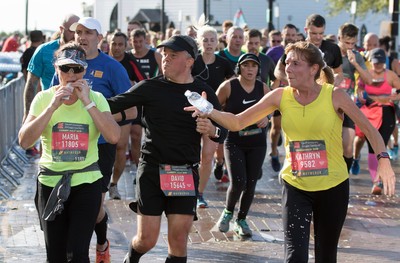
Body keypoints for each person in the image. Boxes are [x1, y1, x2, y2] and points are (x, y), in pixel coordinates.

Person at [186, 41, 396, 262]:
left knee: (326, 256)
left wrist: (383, 160)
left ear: (314, 69)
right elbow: (237, 122)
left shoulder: (335, 96)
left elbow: (370, 130)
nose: (288, 68)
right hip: (296, 186)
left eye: (296, 63)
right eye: (287, 62)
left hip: (333, 187)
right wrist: (208, 109)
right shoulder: (280, 95)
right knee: (295, 257)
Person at [107, 35, 227, 263]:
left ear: (190, 60)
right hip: (152, 170)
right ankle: (131, 258)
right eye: (164, 55)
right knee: (147, 240)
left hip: (183, 173)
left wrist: (211, 129)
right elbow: (113, 104)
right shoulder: (150, 87)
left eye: (173, 56)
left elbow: (224, 131)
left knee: (179, 240)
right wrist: (83, 98)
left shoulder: (202, 93)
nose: (165, 60)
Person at [18, 42, 121, 262]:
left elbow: (113, 136)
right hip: (51, 182)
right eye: (66, 68)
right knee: (55, 255)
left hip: (86, 182)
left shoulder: (97, 98)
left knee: (77, 254)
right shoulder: (44, 98)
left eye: (77, 68)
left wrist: (87, 102)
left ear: (85, 70)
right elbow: (25, 141)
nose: (72, 74)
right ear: (57, 69)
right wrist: (52, 107)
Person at [51, 17, 133, 263]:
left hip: (99, 149)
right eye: (78, 32)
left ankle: (102, 242)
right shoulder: (64, 65)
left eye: (88, 32)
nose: (82, 36)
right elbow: (50, 101)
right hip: (67, 147)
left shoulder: (113, 68)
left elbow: (130, 111)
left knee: (95, 210)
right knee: (66, 207)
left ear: (100, 36)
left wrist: (98, 114)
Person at [215, 53, 270, 237]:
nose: (250, 69)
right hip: (234, 141)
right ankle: (228, 212)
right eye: (246, 65)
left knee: (251, 183)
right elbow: (214, 108)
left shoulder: (263, 88)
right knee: (238, 181)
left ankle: (241, 219)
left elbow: (275, 107)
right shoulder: (228, 86)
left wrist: (267, 117)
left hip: (257, 142)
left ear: (258, 69)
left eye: (253, 66)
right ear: (239, 68)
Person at [192, 25, 235, 208]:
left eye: (212, 40)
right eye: (205, 40)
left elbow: (233, 85)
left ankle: (199, 194)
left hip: (215, 115)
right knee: (191, 155)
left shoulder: (224, 63)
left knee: (207, 156)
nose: (209, 44)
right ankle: (188, 190)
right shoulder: (192, 62)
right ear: (199, 42)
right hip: (192, 115)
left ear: (217, 42)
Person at [356, 47, 400, 195]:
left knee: (382, 142)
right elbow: (359, 90)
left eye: (381, 63)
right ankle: (376, 180)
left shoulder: (391, 75)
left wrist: (395, 97)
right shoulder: (366, 74)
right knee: (371, 146)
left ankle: (379, 178)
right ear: (371, 62)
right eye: (375, 63)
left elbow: (399, 90)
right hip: (370, 113)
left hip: (387, 111)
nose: (378, 66)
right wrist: (363, 97)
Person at [108, 31, 146, 199]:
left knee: (121, 147)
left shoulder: (130, 62)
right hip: (103, 109)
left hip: (124, 111)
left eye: (120, 44)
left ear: (126, 46)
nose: (116, 48)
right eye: (113, 44)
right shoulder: (103, 61)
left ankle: (114, 184)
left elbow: (144, 81)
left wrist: (132, 86)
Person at [23, 14, 80, 122]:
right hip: (49, 111)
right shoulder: (43, 50)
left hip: (78, 113)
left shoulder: (83, 52)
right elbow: (31, 84)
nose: (74, 35)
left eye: (77, 31)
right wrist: (27, 114)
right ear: (61, 29)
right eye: (71, 31)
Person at [336, 23, 372, 172]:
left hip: (348, 105)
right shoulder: (332, 53)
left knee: (348, 148)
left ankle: (344, 177)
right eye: (347, 43)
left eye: (353, 43)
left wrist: (355, 64)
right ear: (339, 38)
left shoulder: (356, 55)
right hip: (330, 104)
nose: (350, 46)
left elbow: (369, 80)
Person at [129, 28, 163, 170]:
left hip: (152, 101)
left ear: (146, 41)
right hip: (135, 102)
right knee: (136, 136)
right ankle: (138, 167)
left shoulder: (155, 55)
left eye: (140, 41)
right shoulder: (128, 57)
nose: (137, 44)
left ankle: (155, 165)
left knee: (155, 136)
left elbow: (165, 74)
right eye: (134, 41)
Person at [351, 32, 380, 175]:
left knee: (376, 134)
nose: (371, 47)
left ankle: (378, 171)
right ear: (364, 45)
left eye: (375, 44)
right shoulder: (358, 58)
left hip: (377, 102)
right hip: (360, 100)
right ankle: (355, 157)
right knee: (360, 136)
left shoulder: (381, 60)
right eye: (369, 44)